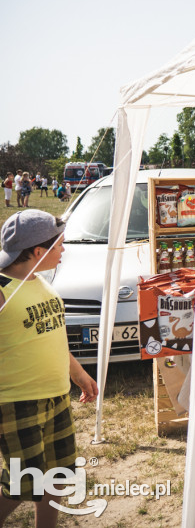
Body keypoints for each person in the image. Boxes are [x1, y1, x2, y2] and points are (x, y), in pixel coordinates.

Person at [0, 210, 99, 528]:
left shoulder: (39, 281)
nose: (64, 250)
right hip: (16, 404)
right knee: (20, 485)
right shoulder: (1, 289)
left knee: (58, 476)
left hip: (57, 398)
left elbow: (52, 334)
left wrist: (79, 374)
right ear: (39, 252)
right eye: (60, 245)